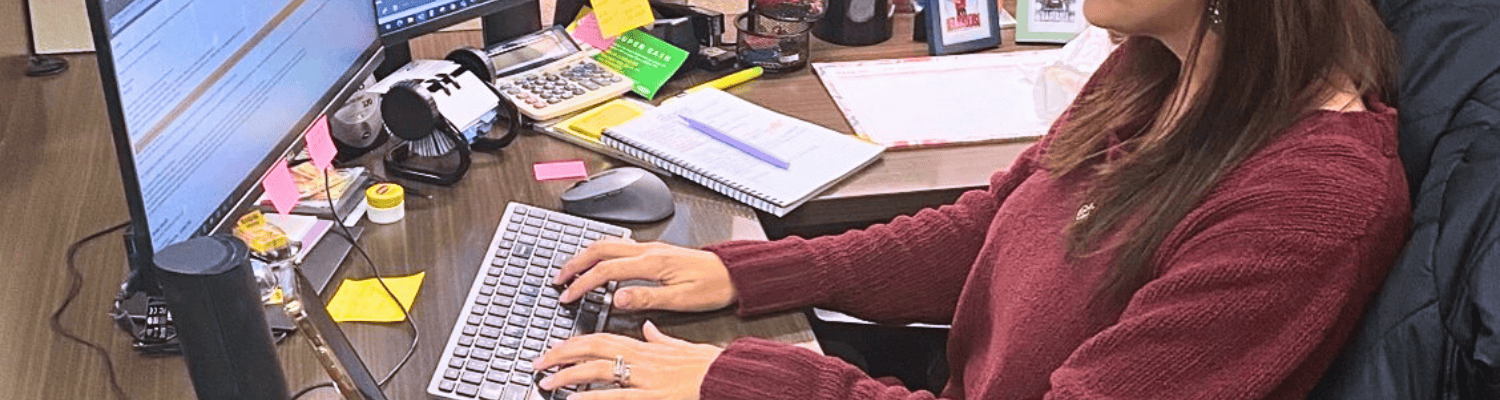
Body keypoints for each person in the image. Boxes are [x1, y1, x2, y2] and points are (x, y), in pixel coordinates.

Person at [533, 0, 1410, 398]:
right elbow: (986, 230)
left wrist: (752, 379)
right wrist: (753, 273)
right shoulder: (1162, 68)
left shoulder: (1310, 206)